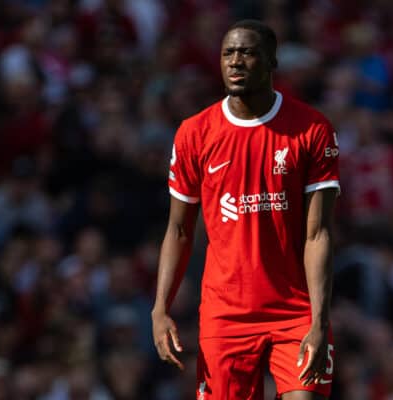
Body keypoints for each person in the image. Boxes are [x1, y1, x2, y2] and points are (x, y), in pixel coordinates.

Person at [151, 19, 340, 400]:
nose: (235, 62)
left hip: (295, 309)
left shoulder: (312, 129)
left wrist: (319, 321)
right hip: (226, 313)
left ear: (272, 61)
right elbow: (179, 230)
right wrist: (160, 309)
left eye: (247, 52)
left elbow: (317, 233)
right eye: (228, 53)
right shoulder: (194, 133)